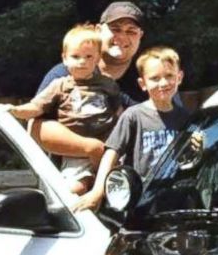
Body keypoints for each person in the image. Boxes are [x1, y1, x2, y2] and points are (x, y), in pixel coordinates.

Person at [5, 24, 121, 193]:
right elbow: (36, 107)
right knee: (74, 189)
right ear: (65, 58)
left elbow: (118, 113)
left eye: (89, 57)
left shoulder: (108, 83)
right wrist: (15, 110)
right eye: (76, 56)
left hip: (108, 149)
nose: (82, 61)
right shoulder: (59, 85)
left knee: (118, 189)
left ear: (97, 59)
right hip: (77, 153)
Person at [75, 47, 190, 211]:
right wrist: (97, 191)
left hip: (175, 200)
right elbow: (111, 153)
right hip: (141, 200)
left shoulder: (185, 118)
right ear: (142, 84)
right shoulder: (134, 116)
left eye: (169, 76)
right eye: (155, 78)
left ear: (179, 77)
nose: (163, 83)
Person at [33, 1, 145, 159]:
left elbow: (172, 124)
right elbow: (36, 127)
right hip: (72, 173)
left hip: (134, 178)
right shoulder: (65, 73)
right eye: (115, 29)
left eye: (131, 31)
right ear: (98, 30)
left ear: (140, 36)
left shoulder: (150, 77)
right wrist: (92, 148)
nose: (122, 37)